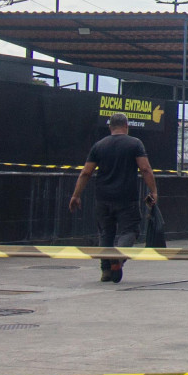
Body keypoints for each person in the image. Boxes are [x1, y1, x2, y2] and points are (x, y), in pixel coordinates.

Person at [69, 113, 158, 284]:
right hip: (127, 197)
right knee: (130, 231)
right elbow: (145, 169)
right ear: (126, 126)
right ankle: (118, 256)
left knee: (106, 233)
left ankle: (106, 271)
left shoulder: (99, 145)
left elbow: (86, 172)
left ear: (110, 127)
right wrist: (153, 191)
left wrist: (76, 195)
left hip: (103, 197)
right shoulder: (135, 143)